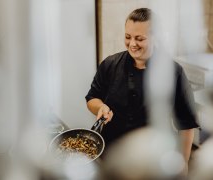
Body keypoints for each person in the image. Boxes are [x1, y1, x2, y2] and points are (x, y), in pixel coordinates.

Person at [85, 7, 199, 172]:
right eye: (127, 37)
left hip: (152, 161)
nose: (132, 44)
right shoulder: (110, 64)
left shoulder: (173, 72)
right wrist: (100, 107)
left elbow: (186, 125)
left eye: (139, 38)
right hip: (111, 156)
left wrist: (183, 164)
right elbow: (92, 98)